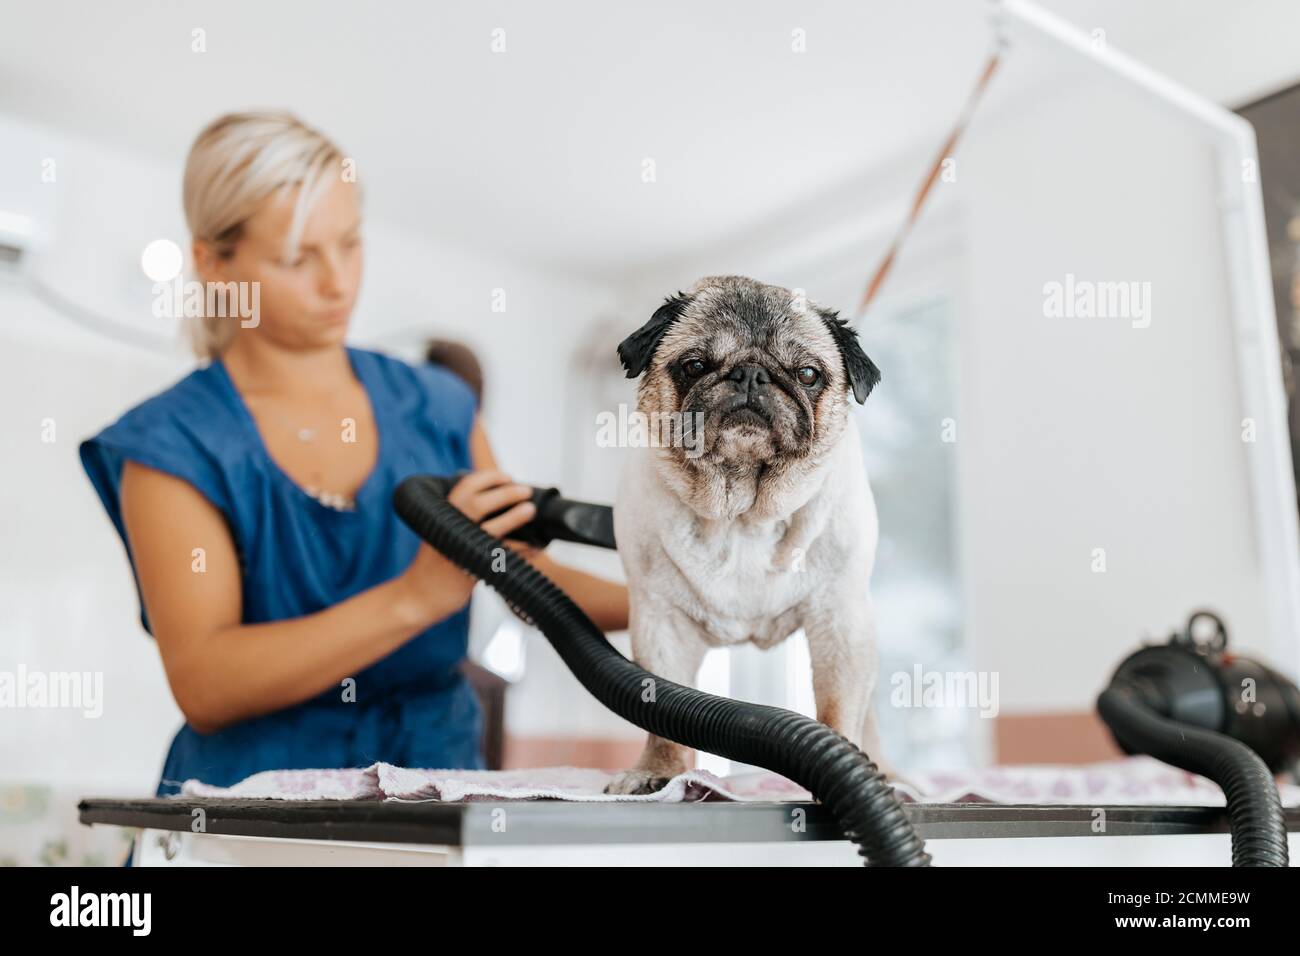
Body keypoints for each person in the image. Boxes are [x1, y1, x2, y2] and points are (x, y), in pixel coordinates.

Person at [79, 112, 629, 852]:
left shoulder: (436, 406)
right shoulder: (173, 442)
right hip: (252, 817)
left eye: (350, 242)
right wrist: (413, 599)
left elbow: (525, 577)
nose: (338, 281)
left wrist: (700, 605)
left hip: (433, 792)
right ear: (214, 265)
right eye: (297, 258)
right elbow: (206, 681)